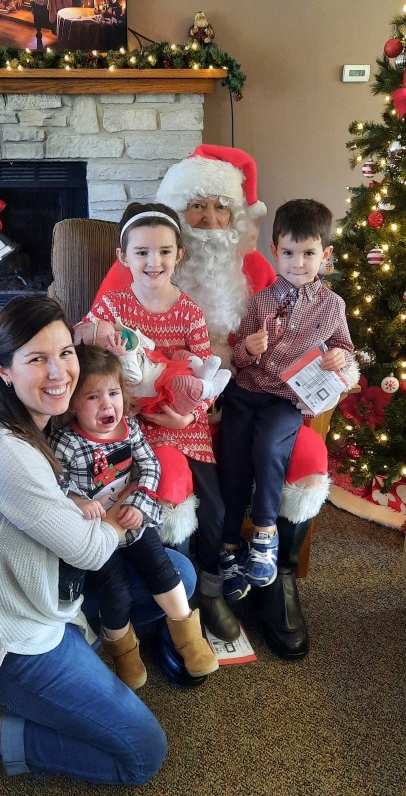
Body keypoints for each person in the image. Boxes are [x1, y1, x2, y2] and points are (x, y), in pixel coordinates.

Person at [0, 295, 195, 796]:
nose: (59, 372)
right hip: (8, 636)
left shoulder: (21, 423)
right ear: (3, 369)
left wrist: (112, 503)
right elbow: (90, 550)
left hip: (38, 588)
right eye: (37, 359)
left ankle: (94, 639)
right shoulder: (7, 455)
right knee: (142, 752)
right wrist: (120, 507)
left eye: (65, 353)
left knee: (179, 574)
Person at [95, 144, 355, 659]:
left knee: (309, 457)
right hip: (155, 416)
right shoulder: (133, 269)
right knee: (174, 480)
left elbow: (316, 343)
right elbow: (97, 355)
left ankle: (275, 579)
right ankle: (179, 591)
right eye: (197, 207)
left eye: (221, 207)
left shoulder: (262, 267)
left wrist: (336, 366)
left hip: (252, 401)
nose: (211, 220)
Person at [85, 202, 239, 642]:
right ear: (123, 257)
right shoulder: (113, 306)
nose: (154, 262)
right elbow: (87, 354)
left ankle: (206, 590)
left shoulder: (189, 311)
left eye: (164, 251)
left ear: (178, 255)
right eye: (142, 252)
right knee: (164, 495)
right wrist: (94, 336)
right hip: (135, 424)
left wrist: (189, 414)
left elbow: (205, 378)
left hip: (185, 422)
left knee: (214, 507)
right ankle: (167, 596)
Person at [49, 343, 218, 689]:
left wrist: (139, 501)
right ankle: (124, 653)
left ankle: (189, 640)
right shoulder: (67, 442)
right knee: (116, 592)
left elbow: (150, 466)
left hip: (134, 520)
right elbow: (53, 484)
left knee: (161, 568)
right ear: (73, 404)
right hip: (98, 534)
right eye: (93, 397)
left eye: (113, 393)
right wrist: (77, 501)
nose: (107, 404)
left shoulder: (130, 428)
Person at [219, 199, 355, 595]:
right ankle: (228, 545)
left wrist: (339, 357)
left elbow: (345, 348)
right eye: (290, 253)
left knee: (268, 447)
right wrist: (248, 349)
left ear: (325, 255)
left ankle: (264, 534)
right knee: (234, 456)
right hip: (246, 392)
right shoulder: (258, 301)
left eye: (309, 253)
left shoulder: (332, 306)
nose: (298, 263)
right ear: (275, 251)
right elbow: (236, 358)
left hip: (286, 400)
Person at [73, 315, 231, 417]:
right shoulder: (114, 365)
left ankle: (202, 372)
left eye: (115, 331)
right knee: (182, 384)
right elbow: (135, 377)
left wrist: (135, 337)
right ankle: (210, 388)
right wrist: (122, 356)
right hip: (164, 393)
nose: (119, 335)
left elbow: (151, 346)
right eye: (111, 339)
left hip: (166, 369)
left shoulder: (190, 312)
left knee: (180, 355)